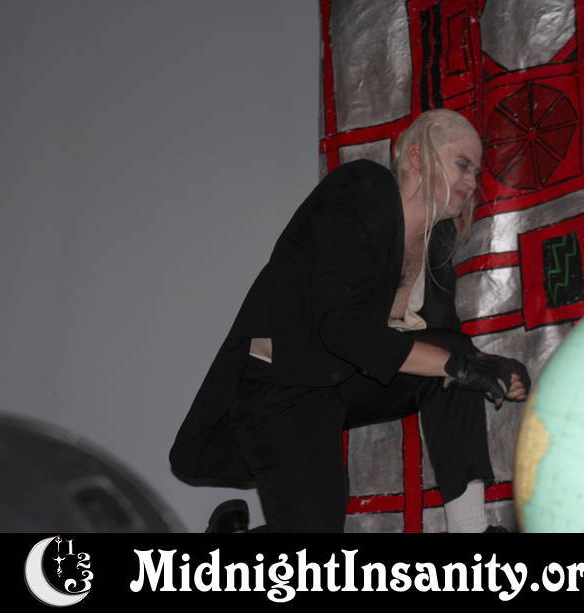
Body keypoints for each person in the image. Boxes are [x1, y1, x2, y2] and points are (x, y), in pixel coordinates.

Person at [169, 109, 530, 532]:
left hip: (342, 379)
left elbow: (445, 344)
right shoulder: (361, 191)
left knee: (453, 354)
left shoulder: (438, 243)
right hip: (282, 385)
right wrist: (461, 365)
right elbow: (341, 327)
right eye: (462, 165)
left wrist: (494, 368)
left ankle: (470, 529)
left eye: (476, 172)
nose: (472, 182)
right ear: (417, 157)